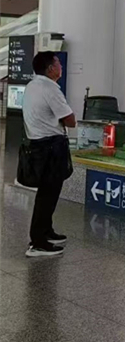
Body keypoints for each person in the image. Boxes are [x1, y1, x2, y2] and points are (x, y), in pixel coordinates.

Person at [21, 51, 75, 257]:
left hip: (38, 145)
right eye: (58, 63)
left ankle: (46, 231)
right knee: (48, 194)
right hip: (51, 147)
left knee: (47, 192)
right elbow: (70, 120)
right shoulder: (50, 89)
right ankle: (38, 242)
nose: (61, 66)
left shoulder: (32, 85)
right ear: (51, 69)